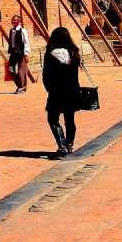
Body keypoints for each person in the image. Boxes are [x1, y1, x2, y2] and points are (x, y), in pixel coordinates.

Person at [42, 27, 80, 160]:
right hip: (73, 91)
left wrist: (49, 89)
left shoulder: (50, 54)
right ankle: (69, 144)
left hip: (57, 92)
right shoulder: (74, 53)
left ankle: (62, 146)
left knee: (52, 119)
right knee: (69, 119)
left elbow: (46, 75)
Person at [8, 15, 30, 94]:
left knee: (21, 71)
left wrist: (26, 53)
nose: (13, 21)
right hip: (13, 53)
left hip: (21, 53)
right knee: (10, 69)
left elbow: (26, 42)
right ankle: (20, 85)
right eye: (12, 20)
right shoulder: (11, 30)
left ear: (19, 21)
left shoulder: (23, 31)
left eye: (15, 20)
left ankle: (22, 87)